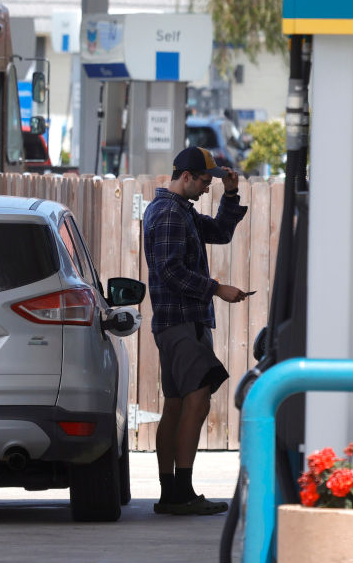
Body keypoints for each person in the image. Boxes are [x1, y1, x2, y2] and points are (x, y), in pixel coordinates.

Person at [143, 146, 249, 516]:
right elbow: (170, 271)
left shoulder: (178, 211)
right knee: (197, 400)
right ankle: (181, 493)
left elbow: (220, 232)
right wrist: (217, 288)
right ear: (185, 176)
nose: (207, 187)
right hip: (182, 323)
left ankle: (171, 492)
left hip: (178, 323)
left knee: (175, 405)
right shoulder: (170, 214)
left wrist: (231, 194)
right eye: (205, 181)